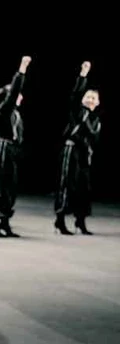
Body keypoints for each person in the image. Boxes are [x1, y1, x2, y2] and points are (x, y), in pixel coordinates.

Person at [54, 61, 101, 235]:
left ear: (98, 102)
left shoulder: (96, 120)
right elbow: (76, 94)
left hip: (84, 154)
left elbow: (94, 139)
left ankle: (80, 221)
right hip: (71, 150)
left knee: (84, 188)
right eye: (88, 96)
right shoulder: (77, 111)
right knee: (67, 184)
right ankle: (59, 220)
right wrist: (83, 74)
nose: (90, 99)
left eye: (93, 98)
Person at [0, 56, 31, 237]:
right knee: (1, 186)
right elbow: (14, 92)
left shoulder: (16, 114)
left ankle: (4, 221)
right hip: (3, 148)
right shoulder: (3, 110)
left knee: (10, 188)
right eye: (16, 94)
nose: (20, 96)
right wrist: (22, 70)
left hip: (12, 150)